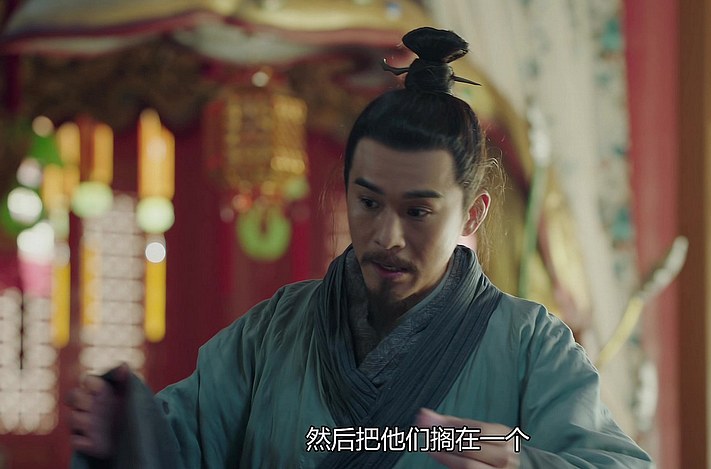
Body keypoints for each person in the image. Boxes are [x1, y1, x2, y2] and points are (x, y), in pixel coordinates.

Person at [68, 27, 653, 468]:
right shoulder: (275, 332)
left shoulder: (529, 345)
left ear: (472, 213)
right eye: (368, 202)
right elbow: (178, 439)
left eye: (418, 211)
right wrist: (121, 427)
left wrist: (523, 463)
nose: (386, 236)